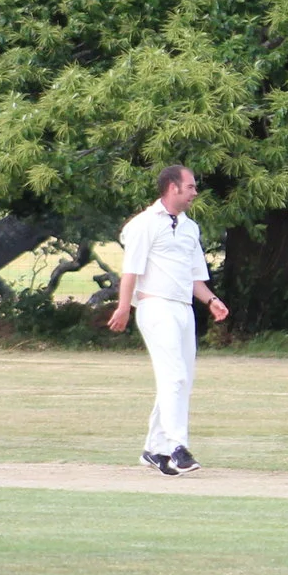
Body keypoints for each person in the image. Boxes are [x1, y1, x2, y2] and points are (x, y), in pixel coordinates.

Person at [106, 164, 230, 475]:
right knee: (173, 376)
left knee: (181, 381)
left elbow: (194, 278)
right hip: (155, 307)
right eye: (190, 186)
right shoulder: (144, 224)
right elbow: (131, 270)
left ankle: (153, 448)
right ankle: (177, 447)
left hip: (183, 309)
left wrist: (212, 300)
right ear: (173, 187)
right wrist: (123, 307)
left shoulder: (190, 228)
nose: (195, 192)